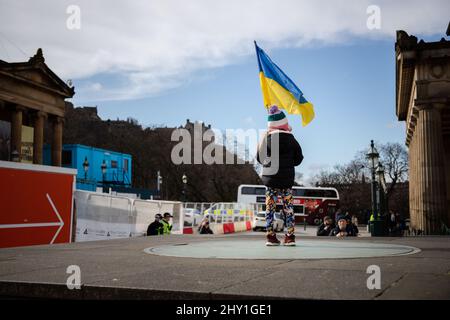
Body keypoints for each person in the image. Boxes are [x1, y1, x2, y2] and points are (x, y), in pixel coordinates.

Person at [256, 105, 303, 246]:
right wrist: (289, 163)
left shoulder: (267, 139)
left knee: (270, 208)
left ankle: (270, 236)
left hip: (270, 180)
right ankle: (290, 236)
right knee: (288, 208)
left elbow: (260, 158)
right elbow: (299, 159)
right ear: (285, 124)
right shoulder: (292, 140)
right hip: (287, 180)